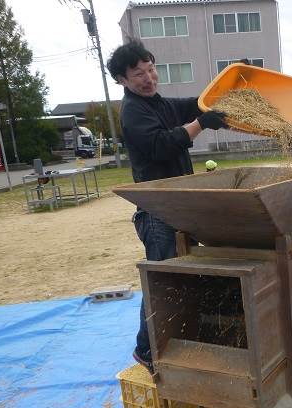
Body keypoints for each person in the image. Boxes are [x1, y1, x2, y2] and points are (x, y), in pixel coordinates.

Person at [107, 40, 227, 372]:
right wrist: (202, 124)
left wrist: (226, 84)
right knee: (160, 283)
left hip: (176, 207)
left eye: (150, 69)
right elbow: (162, 145)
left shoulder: (158, 103)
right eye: (138, 74)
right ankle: (146, 350)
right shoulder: (133, 111)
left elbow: (193, 104)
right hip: (157, 212)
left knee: (180, 281)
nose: (148, 78)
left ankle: (181, 339)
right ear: (123, 79)